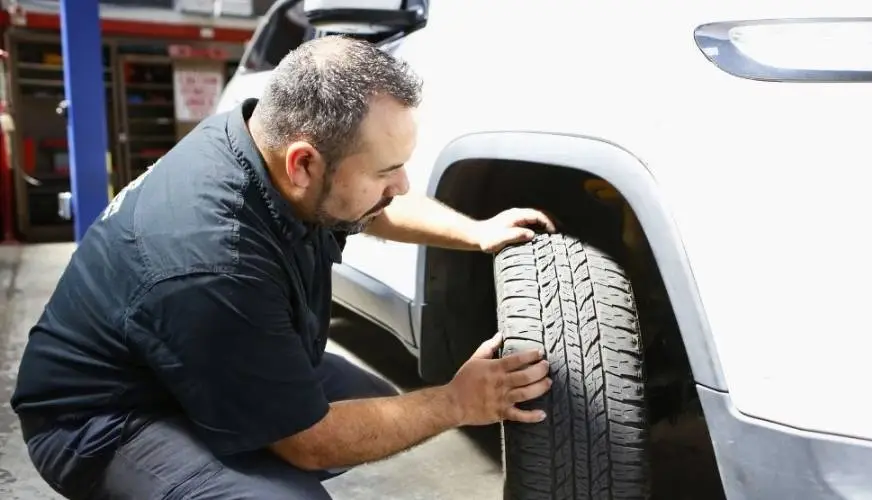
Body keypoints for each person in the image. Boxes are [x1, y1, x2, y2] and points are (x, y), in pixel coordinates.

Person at [10, 36, 555, 499]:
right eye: (387, 169)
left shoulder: (263, 140)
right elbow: (308, 439)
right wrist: (457, 403)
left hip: (195, 348)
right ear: (304, 164)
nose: (403, 185)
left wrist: (477, 232)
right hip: (104, 417)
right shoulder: (213, 261)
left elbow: (370, 204)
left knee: (385, 412)